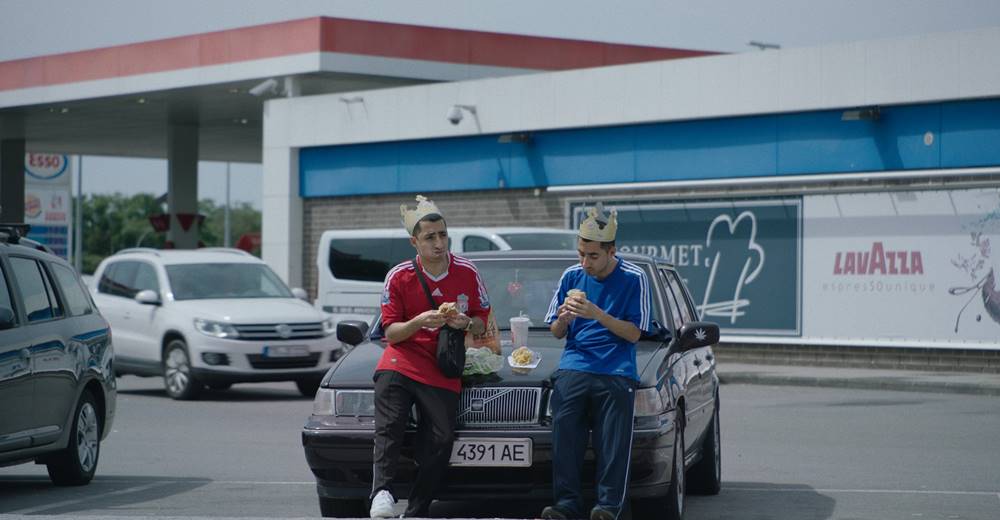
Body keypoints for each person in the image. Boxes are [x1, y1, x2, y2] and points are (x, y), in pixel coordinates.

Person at [369, 195, 490, 519]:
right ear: (414, 242)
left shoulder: (467, 271)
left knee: (441, 439)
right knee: (390, 424)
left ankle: (418, 508)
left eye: (443, 235)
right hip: (402, 358)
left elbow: (482, 320)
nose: (439, 243)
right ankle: (382, 492)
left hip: (442, 365)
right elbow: (390, 333)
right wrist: (420, 321)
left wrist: (465, 322)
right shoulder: (398, 276)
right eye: (430, 237)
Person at [541, 203, 652, 520]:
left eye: (592, 256)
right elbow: (555, 331)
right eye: (581, 254)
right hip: (574, 365)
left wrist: (597, 314)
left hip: (616, 369)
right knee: (565, 440)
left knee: (613, 445)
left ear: (611, 251)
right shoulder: (571, 275)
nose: (584, 262)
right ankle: (566, 505)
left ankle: (608, 506)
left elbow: (634, 333)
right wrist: (563, 317)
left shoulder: (634, 278)